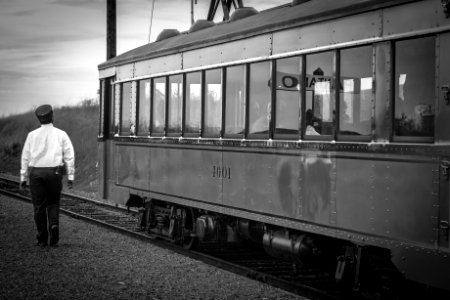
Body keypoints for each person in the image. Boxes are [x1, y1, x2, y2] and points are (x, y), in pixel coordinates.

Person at [20, 104, 75, 248]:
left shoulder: (32, 135)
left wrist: (23, 178)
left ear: (39, 119)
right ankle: (54, 225)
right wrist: (70, 176)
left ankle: (42, 239)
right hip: (54, 172)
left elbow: (25, 157)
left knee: (39, 207)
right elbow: (69, 155)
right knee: (53, 202)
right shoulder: (61, 134)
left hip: (36, 173)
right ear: (52, 116)